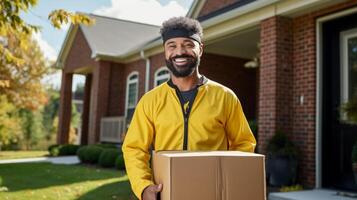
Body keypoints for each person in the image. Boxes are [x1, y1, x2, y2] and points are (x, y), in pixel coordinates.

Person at [122, 16, 256, 200]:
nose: (180, 52)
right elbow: (134, 148)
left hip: (213, 193)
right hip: (166, 193)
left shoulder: (225, 97)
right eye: (172, 46)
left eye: (187, 44)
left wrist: (231, 181)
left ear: (200, 49)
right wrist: (144, 187)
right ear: (165, 51)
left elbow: (244, 144)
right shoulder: (150, 101)